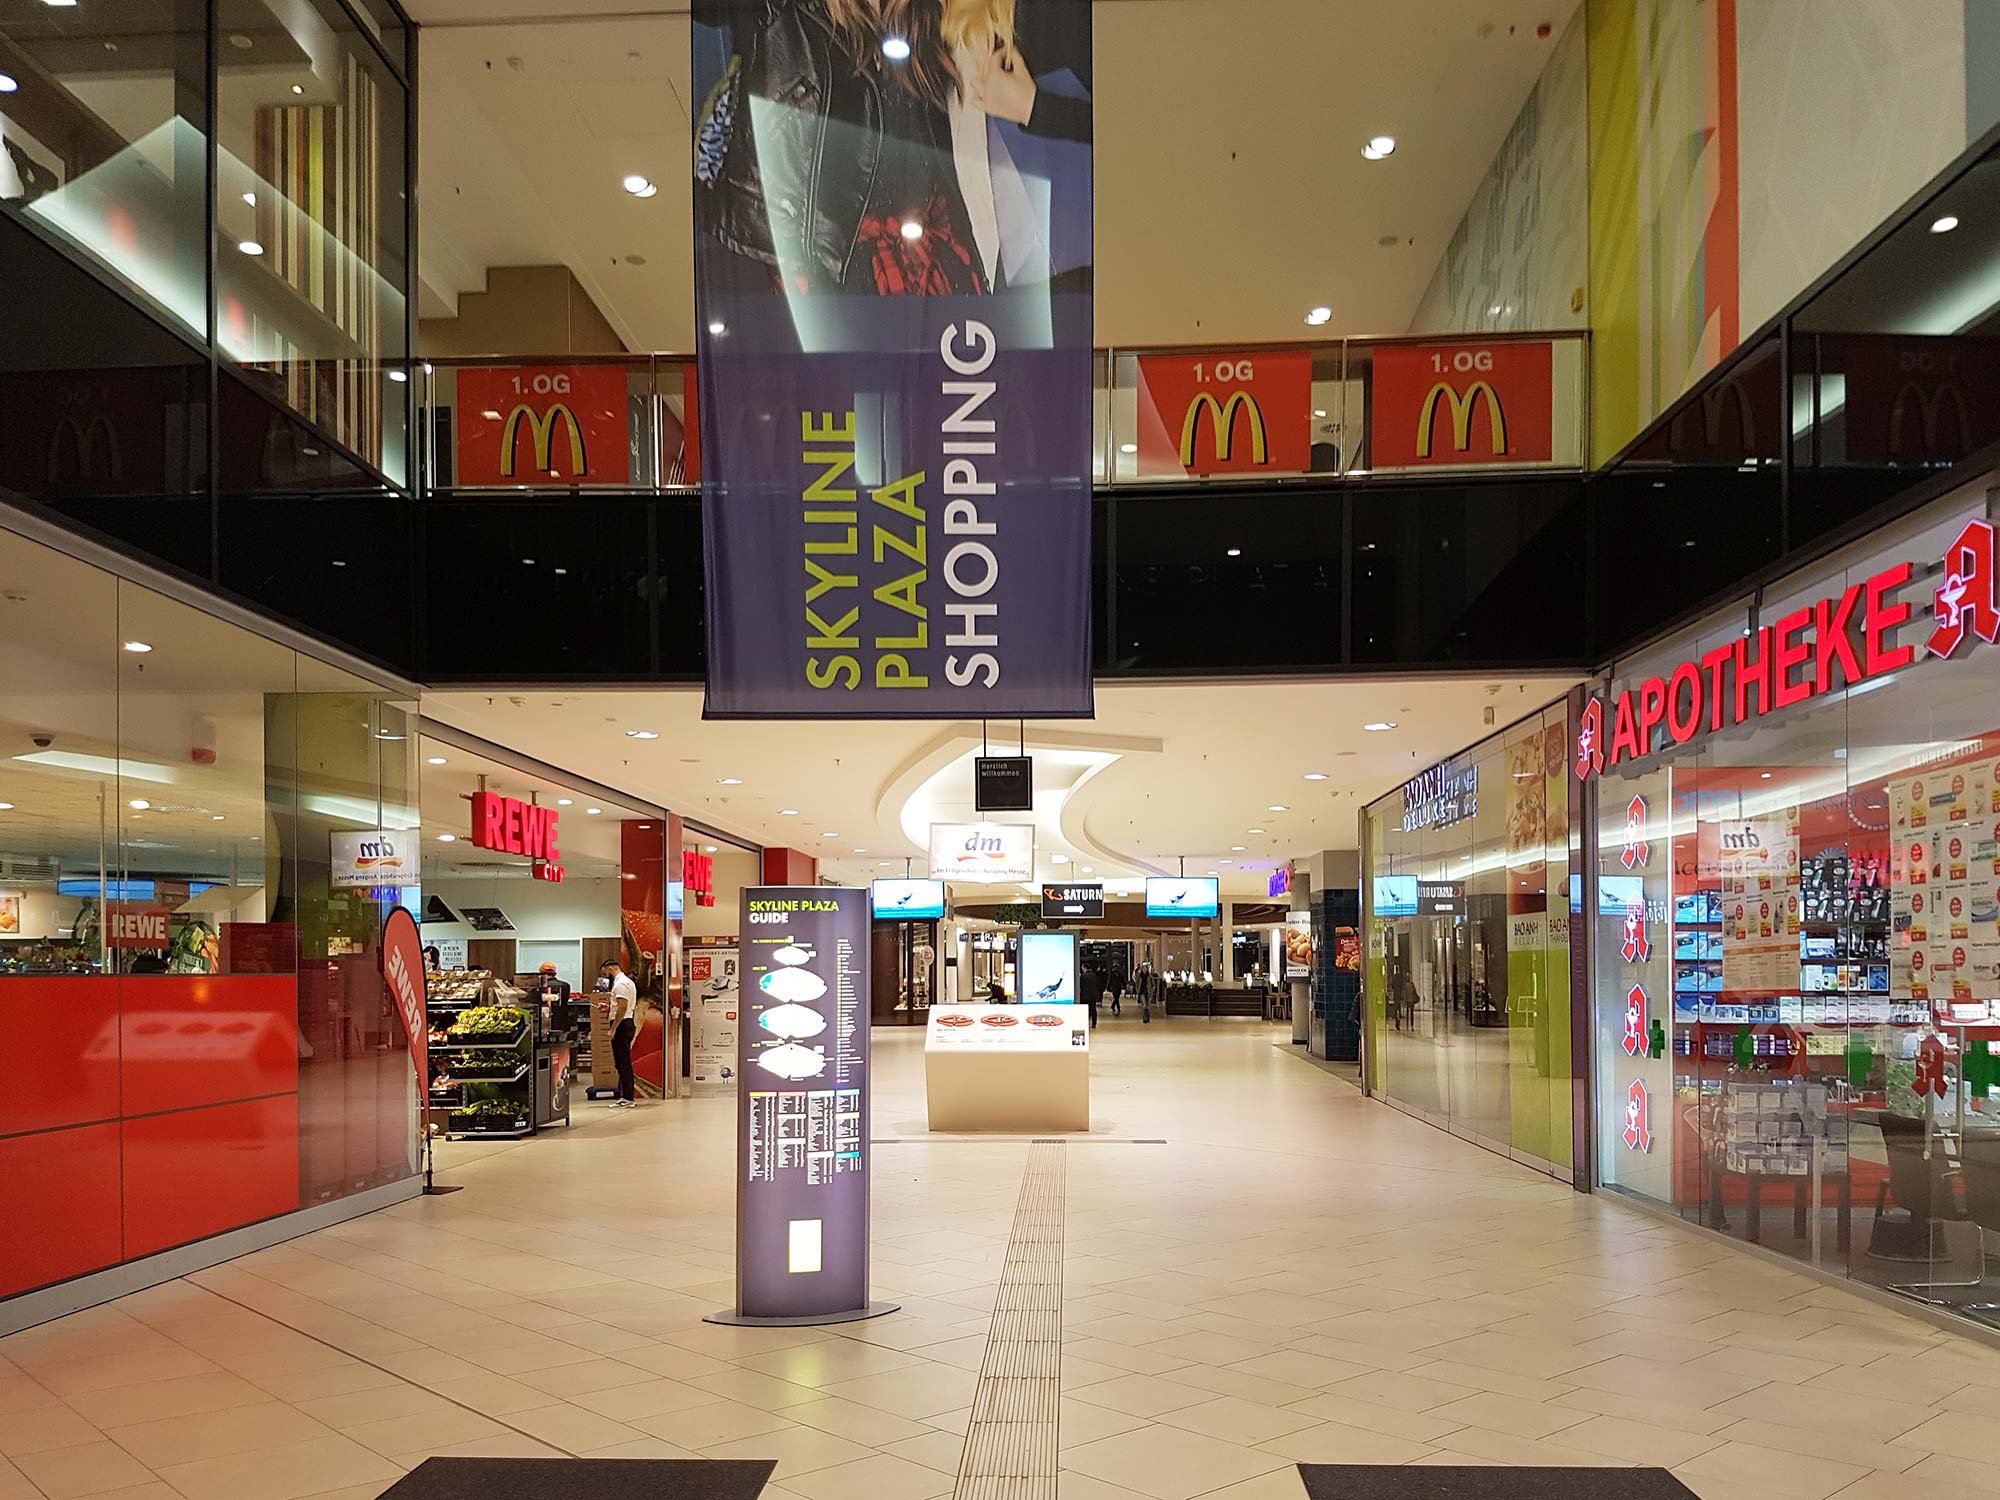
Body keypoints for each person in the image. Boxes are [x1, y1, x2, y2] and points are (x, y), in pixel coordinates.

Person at [601, 956, 640, 1107]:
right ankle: (626, 1095)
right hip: (626, 1022)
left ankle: (628, 1097)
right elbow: (620, 1005)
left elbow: (623, 1007)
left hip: (623, 1025)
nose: (606, 977)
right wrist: (609, 1008)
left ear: (611, 968)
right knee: (622, 1061)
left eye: (606, 973)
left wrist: (613, 1028)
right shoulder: (628, 982)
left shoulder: (620, 984)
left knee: (622, 1062)